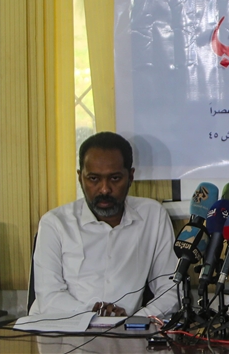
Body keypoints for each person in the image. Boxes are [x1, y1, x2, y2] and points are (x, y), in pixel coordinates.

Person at [29, 132, 178, 318]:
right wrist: (96, 316)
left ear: (131, 176)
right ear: (80, 178)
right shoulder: (55, 223)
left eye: (115, 178)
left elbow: (170, 290)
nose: (105, 189)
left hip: (126, 330)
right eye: (93, 179)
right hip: (64, 327)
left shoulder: (152, 216)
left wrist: (135, 322)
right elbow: (49, 298)